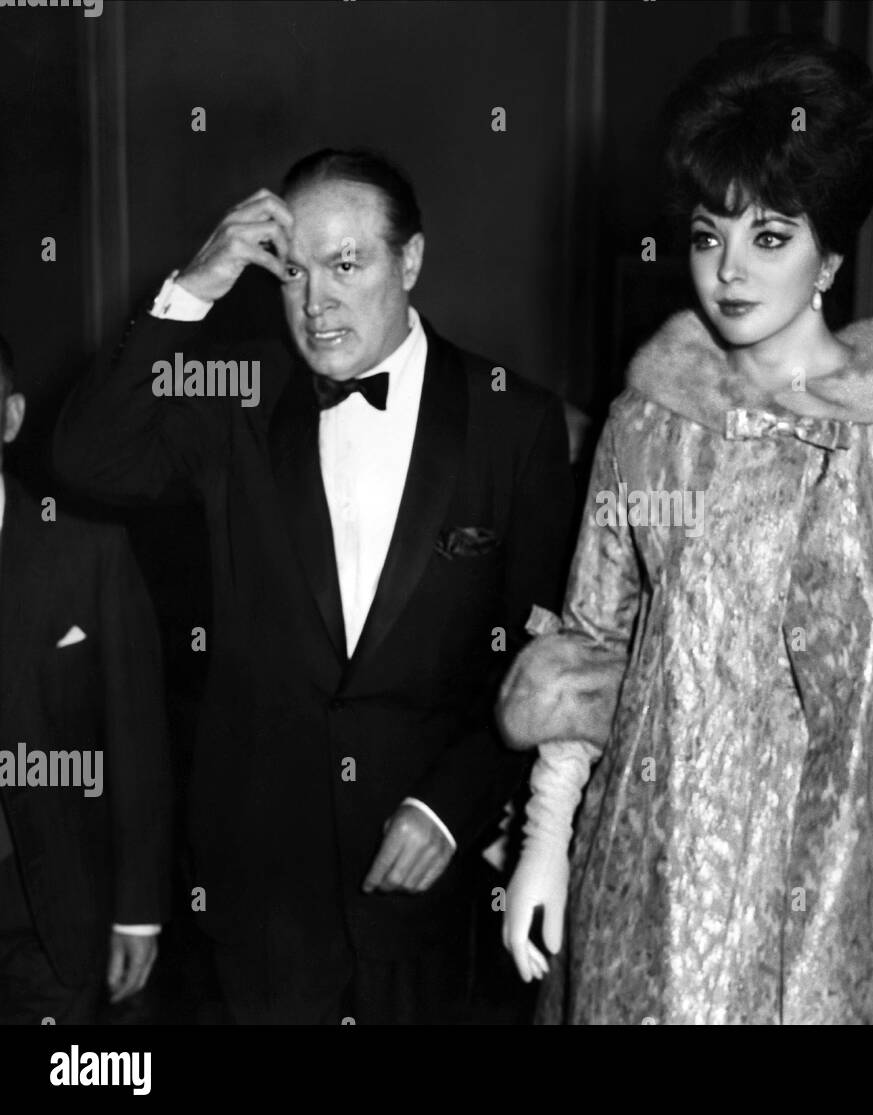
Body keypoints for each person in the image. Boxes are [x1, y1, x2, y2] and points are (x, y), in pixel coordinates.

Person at [496, 34, 873, 1025]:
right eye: (705, 232)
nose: (727, 269)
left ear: (829, 258)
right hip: (659, 879)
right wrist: (548, 830)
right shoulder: (649, 418)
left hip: (861, 885)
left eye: (769, 236)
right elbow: (591, 647)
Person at [53, 149, 573, 1024]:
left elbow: (540, 661)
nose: (315, 302)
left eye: (346, 265)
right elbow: (84, 456)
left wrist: (449, 809)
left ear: (409, 262)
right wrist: (195, 285)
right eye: (293, 272)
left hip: (433, 899)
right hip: (262, 899)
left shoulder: (513, 421)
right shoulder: (241, 398)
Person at [0, 334, 170, 1024]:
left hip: (50, 911)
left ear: (9, 419)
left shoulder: (87, 555)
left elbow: (137, 741)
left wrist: (138, 909)